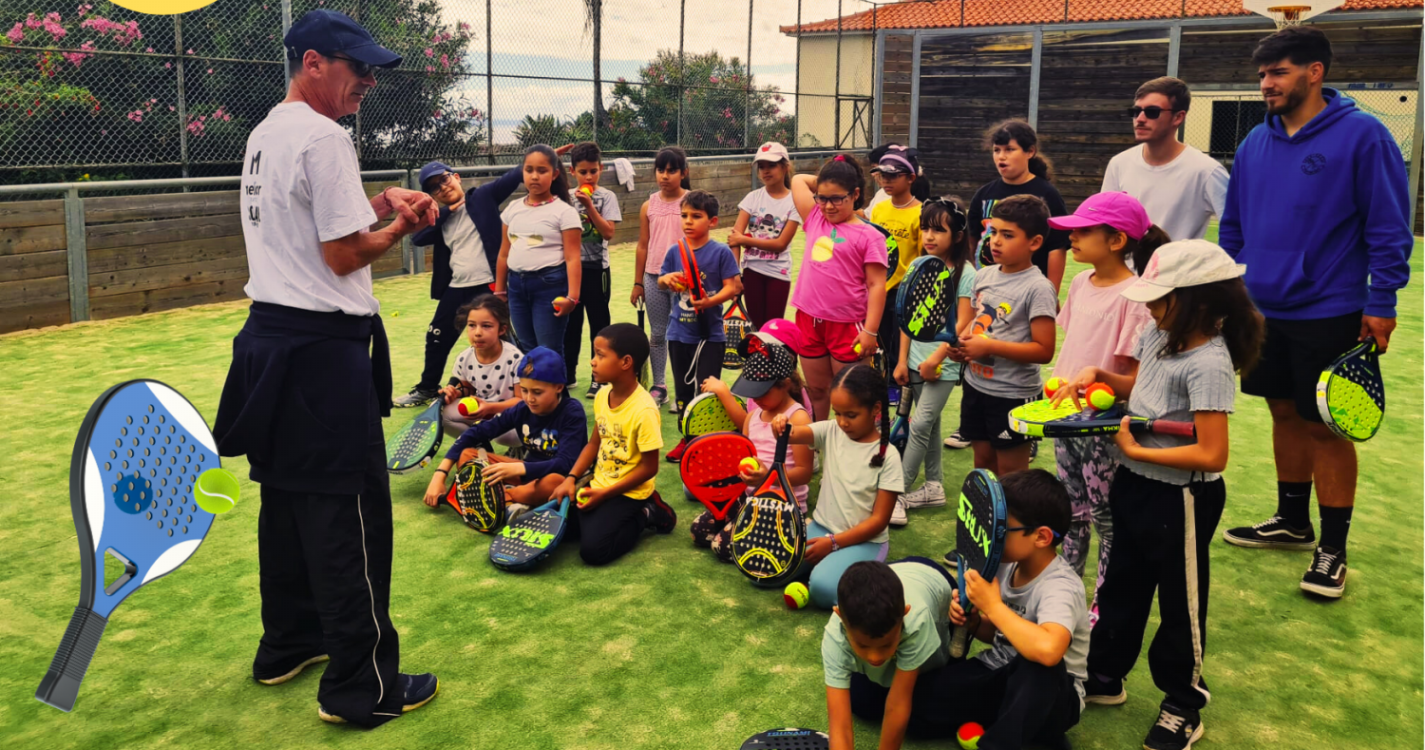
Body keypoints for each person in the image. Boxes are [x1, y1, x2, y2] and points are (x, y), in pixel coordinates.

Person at [213, 9, 439, 726]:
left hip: (268, 345)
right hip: (319, 356)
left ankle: (287, 643)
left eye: (371, 71)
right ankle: (361, 686)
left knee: (285, 503)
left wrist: (377, 204)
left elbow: (315, 227)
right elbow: (342, 256)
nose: (367, 82)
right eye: (357, 68)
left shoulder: (268, 132)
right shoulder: (324, 135)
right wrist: (402, 225)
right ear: (313, 62)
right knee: (350, 516)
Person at [1217, 26, 1413, 599]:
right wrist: (1231, 291)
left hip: (1332, 308)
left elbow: (1387, 229)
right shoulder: (1255, 142)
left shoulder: (1364, 136)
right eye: (1262, 75)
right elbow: (1233, 225)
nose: (1266, 85)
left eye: (1277, 73)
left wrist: (1382, 301)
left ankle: (1333, 549)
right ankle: (1292, 521)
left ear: (1314, 72)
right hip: (1262, 308)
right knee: (1283, 412)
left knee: (1325, 425)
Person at [1065, 240, 1264, 750]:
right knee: (1121, 588)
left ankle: (1183, 702)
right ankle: (1105, 675)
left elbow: (1211, 454)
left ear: (1198, 299)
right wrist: (1102, 377)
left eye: (1160, 299)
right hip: (1134, 484)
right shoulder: (1158, 334)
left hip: (1182, 499)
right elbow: (1138, 388)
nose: (1150, 308)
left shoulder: (1209, 362)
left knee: (1181, 604)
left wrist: (1138, 448)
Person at [1043, 192, 1166, 623]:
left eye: (1082, 230)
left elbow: (1134, 381)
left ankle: (1104, 603)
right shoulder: (1079, 283)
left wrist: (1097, 390)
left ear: (1117, 241)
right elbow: (1073, 350)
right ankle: (1066, 594)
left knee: (1105, 517)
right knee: (1070, 511)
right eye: (1071, 229)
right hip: (1064, 422)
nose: (1071, 237)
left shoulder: (1136, 295)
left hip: (1105, 431)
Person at [394, 145, 573, 407]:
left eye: (444, 179)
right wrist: (446, 211)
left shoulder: (482, 196)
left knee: (509, 343)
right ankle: (427, 388)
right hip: (457, 287)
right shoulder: (440, 217)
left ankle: (527, 393)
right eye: (434, 187)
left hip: (489, 285)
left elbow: (513, 177)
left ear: (456, 177)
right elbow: (418, 237)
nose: (442, 188)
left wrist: (543, 157)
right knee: (436, 336)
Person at [934, 469, 1087, 750]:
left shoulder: (1061, 586)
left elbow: (1049, 649)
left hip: (1051, 698)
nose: (991, 536)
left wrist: (992, 605)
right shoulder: (1005, 565)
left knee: (1038, 666)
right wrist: (973, 623)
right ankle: (1027, 736)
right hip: (999, 675)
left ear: (1041, 537)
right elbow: (1000, 636)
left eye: (1001, 530)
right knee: (915, 704)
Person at [771, 364, 902, 610]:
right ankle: (829, 567)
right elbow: (792, 433)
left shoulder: (889, 456)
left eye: (850, 415)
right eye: (837, 412)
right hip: (821, 528)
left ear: (875, 410)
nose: (842, 422)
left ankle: (863, 569)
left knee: (821, 589)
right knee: (775, 569)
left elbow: (879, 521)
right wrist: (780, 424)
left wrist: (833, 544)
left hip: (866, 542)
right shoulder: (831, 430)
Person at [948, 195, 1058, 479]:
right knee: (982, 464)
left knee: (1011, 473)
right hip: (976, 385)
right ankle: (988, 521)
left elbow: (1044, 350)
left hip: (1012, 394)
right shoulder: (983, 276)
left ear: (1034, 242)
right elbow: (975, 322)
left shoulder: (1039, 287)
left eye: (1007, 235)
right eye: (993, 232)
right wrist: (962, 345)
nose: (995, 241)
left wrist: (990, 346)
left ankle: (1014, 524)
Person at [553, 323, 678, 565]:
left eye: (600, 355)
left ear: (626, 362)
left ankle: (648, 512)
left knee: (593, 552)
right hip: (600, 483)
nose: (592, 361)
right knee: (562, 531)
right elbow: (593, 445)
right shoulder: (602, 396)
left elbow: (650, 468)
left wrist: (604, 495)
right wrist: (570, 478)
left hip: (630, 492)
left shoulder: (644, 410)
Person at [422, 347, 588, 516]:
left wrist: (520, 469)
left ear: (559, 387)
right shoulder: (522, 408)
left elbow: (565, 463)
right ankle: (510, 500)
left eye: (537, 392)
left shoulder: (572, 412)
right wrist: (440, 474)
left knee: (553, 482)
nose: (529, 398)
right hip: (526, 472)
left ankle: (503, 498)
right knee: (467, 455)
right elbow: (477, 432)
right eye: (524, 390)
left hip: (559, 476)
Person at [690, 337, 814, 562]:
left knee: (722, 547)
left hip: (781, 505)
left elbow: (805, 473)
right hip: (749, 498)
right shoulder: (753, 416)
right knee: (699, 531)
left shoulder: (798, 417)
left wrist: (768, 476)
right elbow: (744, 460)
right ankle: (743, 524)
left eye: (762, 392)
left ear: (785, 384)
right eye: (752, 391)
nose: (756, 398)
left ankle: (793, 529)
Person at [892, 196, 975, 526]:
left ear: (956, 236)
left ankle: (896, 491)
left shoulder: (966, 273)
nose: (928, 236)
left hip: (942, 366)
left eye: (938, 230)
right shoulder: (918, 266)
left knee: (922, 424)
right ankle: (933, 486)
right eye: (925, 228)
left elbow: (964, 322)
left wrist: (936, 359)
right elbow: (908, 320)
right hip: (914, 362)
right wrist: (903, 360)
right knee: (932, 425)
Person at [788, 154, 889, 422]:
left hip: (849, 326)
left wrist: (870, 331)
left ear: (855, 194)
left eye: (837, 199)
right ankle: (820, 444)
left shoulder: (871, 236)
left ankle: (855, 448)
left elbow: (877, 285)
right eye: (822, 198)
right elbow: (798, 179)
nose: (828, 206)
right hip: (808, 319)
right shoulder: (814, 218)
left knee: (850, 394)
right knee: (818, 390)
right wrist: (828, 178)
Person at [821, 558, 958, 749]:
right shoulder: (834, 636)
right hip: (889, 577)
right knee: (862, 702)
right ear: (840, 617)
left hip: (938, 587)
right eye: (863, 645)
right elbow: (839, 727)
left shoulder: (916, 619)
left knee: (924, 708)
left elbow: (897, 705)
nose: (874, 658)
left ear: (904, 614)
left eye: (886, 645)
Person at [657, 190, 743, 461]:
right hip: (678, 333)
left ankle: (706, 439)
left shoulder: (720, 252)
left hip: (710, 335)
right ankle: (687, 438)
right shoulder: (675, 251)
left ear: (713, 221)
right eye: (684, 216)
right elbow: (661, 280)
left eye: (696, 216)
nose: (688, 221)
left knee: (706, 389)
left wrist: (709, 301)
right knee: (682, 392)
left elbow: (734, 287)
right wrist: (668, 278)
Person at [1101, 77, 1229, 249]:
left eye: (1152, 112)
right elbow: (1105, 223)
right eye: (1136, 111)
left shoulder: (1206, 171)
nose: (1140, 119)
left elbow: (1235, 229)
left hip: (1176, 274)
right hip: (1126, 275)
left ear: (1178, 117)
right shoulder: (1119, 164)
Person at [495, 144, 582, 360]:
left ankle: (557, 395)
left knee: (548, 350)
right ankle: (533, 394)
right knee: (525, 348)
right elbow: (504, 254)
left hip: (549, 286)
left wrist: (572, 298)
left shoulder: (565, 212)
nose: (534, 176)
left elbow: (572, 258)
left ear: (554, 174)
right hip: (515, 287)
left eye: (542, 171)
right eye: (529, 170)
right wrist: (500, 291)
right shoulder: (512, 209)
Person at [968, 120, 1069, 293]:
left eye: (1009, 149)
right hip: (988, 288)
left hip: (1028, 290)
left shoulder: (1047, 194)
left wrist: (1051, 291)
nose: (1001, 156)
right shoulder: (983, 195)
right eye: (996, 150)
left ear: (1030, 152)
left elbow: (1057, 248)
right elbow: (971, 242)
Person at [630, 146, 692, 410]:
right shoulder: (649, 205)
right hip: (654, 277)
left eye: (671, 170)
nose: (665, 176)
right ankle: (660, 386)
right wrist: (638, 282)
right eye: (660, 170)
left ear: (683, 173)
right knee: (657, 334)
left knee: (683, 333)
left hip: (684, 280)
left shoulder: (692, 202)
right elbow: (643, 245)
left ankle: (683, 389)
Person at [562, 141, 622, 395]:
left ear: (601, 169)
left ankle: (600, 376)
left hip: (598, 269)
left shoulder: (606, 197)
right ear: (571, 171)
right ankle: (568, 373)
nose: (588, 176)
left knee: (599, 324)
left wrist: (589, 207)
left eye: (593, 171)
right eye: (583, 171)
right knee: (570, 324)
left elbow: (608, 232)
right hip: (571, 271)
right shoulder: (564, 198)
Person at [870, 146, 928, 390]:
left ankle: (896, 386)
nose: (886, 181)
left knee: (899, 343)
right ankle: (879, 384)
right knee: (877, 338)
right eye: (883, 175)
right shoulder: (879, 209)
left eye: (893, 176)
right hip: (877, 286)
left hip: (905, 290)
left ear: (911, 178)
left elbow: (924, 256)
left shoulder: (922, 212)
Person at [434, 294, 524, 451]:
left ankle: (521, 446)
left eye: (487, 326)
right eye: (471, 325)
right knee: (441, 414)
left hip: (509, 417)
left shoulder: (515, 358)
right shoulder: (465, 357)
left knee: (503, 435)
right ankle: (479, 445)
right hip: (481, 412)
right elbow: (467, 387)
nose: (477, 332)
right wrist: (453, 392)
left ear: (502, 329)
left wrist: (490, 407)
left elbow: (521, 401)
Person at [729, 141, 801, 331]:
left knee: (774, 328)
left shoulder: (794, 202)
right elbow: (733, 239)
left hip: (778, 273)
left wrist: (745, 240)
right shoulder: (752, 198)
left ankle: (778, 361)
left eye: (772, 165)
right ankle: (757, 362)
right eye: (761, 167)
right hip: (752, 270)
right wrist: (735, 275)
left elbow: (781, 244)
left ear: (785, 167)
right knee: (755, 329)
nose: (765, 171)